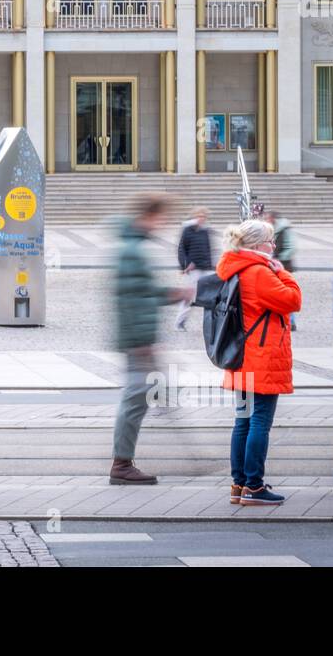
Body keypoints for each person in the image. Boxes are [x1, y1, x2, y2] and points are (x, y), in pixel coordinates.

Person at [109, 193, 193, 485]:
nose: (164, 224)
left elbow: (143, 292)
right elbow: (131, 301)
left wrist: (173, 294)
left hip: (139, 338)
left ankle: (124, 461)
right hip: (137, 340)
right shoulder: (133, 250)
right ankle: (121, 465)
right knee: (135, 399)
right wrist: (144, 341)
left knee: (142, 397)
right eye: (162, 218)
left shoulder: (135, 246)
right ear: (150, 216)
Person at [217, 219, 302, 506]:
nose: (274, 245)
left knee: (242, 422)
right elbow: (291, 301)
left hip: (242, 358)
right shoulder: (258, 272)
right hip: (261, 359)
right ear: (256, 245)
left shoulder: (236, 268)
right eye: (270, 241)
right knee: (259, 423)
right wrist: (284, 273)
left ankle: (238, 484)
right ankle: (254, 485)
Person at [175, 207, 214, 331]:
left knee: (210, 295)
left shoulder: (205, 230)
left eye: (204, 216)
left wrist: (211, 265)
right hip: (193, 268)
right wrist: (184, 265)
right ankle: (180, 322)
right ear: (195, 216)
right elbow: (181, 249)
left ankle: (212, 323)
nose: (201, 218)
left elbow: (208, 249)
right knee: (190, 295)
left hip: (205, 267)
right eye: (199, 216)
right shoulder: (187, 230)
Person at [268, 210, 299, 330]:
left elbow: (291, 247)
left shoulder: (284, 229)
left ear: (273, 219)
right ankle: (284, 320)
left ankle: (291, 321)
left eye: (268, 218)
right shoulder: (274, 229)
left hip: (284, 266)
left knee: (287, 293)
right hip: (276, 266)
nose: (267, 220)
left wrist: (279, 260)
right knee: (279, 293)